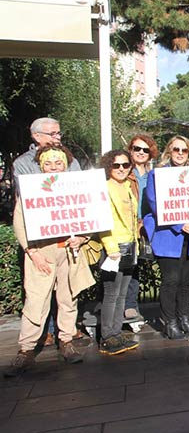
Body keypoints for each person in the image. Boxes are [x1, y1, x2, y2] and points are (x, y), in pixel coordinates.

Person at [5, 146, 90, 376]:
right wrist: (32, 251)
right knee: (36, 300)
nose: (54, 167)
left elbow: (90, 215)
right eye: (48, 164)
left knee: (68, 298)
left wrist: (83, 237)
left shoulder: (76, 190)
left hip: (69, 251)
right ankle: (26, 349)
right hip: (41, 252)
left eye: (58, 163)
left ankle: (66, 341)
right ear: (41, 166)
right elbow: (19, 222)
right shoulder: (31, 191)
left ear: (65, 165)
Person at [144, 136, 189, 340]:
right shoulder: (157, 175)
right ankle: (170, 322)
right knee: (171, 281)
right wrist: (180, 225)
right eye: (176, 149)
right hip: (169, 236)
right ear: (168, 152)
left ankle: (184, 319)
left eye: (184, 150)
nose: (180, 153)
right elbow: (155, 204)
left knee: (187, 281)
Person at [97, 149, 141, 356]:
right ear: (108, 167)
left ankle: (116, 331)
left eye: (126, 165)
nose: (122, 169)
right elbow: (102, 221)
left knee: (122, 294)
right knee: (111, 294)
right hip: (114, 249)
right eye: (117, 165)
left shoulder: (127, 187)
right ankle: (106, 337)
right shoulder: (104, 188)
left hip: (130, 246)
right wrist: (111, 248)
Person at [124, 134, 158, 321]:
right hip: (130, 225)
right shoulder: (124, 173)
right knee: (130, 266)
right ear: (130, 150)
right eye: (137, 148)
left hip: (151, 224)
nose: (141, 153)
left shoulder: (155, 174)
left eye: (145, 149)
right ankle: (130, 305)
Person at [12, 117, 81, 177]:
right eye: (52, 134)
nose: (58, 137)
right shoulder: (23, 163)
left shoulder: (71, 160)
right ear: (37, 137)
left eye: (59, 133)